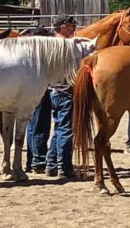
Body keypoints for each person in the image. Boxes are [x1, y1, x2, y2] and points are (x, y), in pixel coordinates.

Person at [47, 16, 78, 178]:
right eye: (71, 26)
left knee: (58, 128)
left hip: (54, 90)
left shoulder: (50, 44)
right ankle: (64, 167)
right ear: (64, 27)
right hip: (66, 90)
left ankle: (51, 164)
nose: (73, 29)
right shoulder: (67, 45)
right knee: (66, 129)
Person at [22, 26, 55, 173]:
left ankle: (31, 161)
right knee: (40, 125)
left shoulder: (27, 54)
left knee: (31, 127)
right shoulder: (39, 55)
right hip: (40, 91)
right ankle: (39, 160)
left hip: (28, 92)